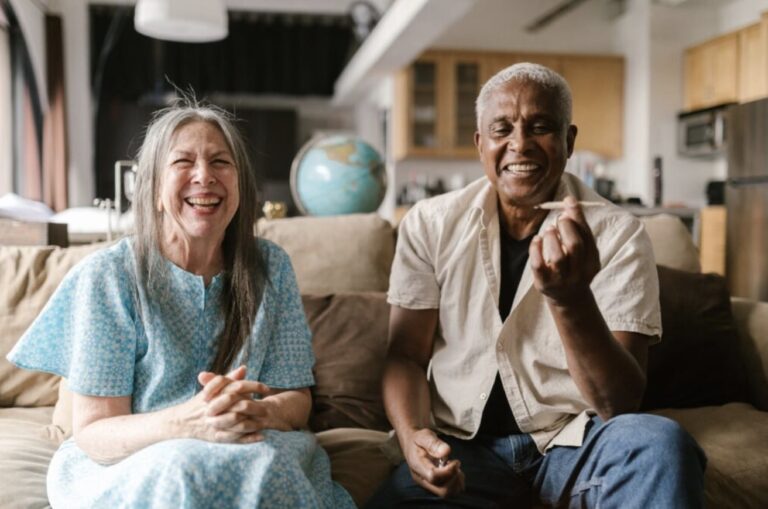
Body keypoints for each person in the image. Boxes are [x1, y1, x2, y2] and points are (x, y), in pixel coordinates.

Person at [366, 63, 706, 508]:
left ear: (569, 141)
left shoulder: (619, 234)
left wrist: (570, 300)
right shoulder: (430, 224)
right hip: (463, 450)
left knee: (660, 444)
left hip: (576, 442)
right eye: (501, 129)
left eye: (541, 126)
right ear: (480, 144)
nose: (520, 144)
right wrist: (413, 438)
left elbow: (619, 403)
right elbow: (406, 356)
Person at [7, 100, 355, 508]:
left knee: (268, 464)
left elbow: (295, 400)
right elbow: (96, 432)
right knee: (183, 467)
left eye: (221, 162)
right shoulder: (108, 276)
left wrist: (256, 413)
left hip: (249, 444)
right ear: (154, 189)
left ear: (240, 184)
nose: (204, 177)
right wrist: (189, 422)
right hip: (136, 457)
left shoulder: (271, 268)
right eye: (183, 161)